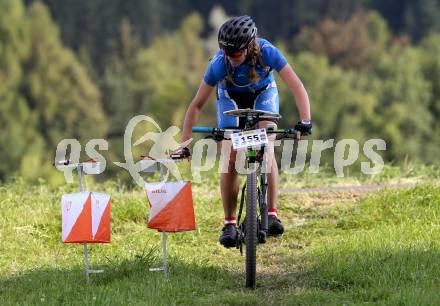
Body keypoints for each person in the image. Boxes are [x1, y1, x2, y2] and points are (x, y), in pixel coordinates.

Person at [179, 15, 312, 248]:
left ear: (249, 46)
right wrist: (184, 143)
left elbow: (296, 85)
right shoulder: (219, 64)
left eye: (235, 54)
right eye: (226, 53)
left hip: (263, 95)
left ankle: (271, 214)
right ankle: (229, 223)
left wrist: (305, 120)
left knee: (267, 145)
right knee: (230, 156)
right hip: (230, 99)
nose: (230, 59)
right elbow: (196, 105)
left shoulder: (267, 52)